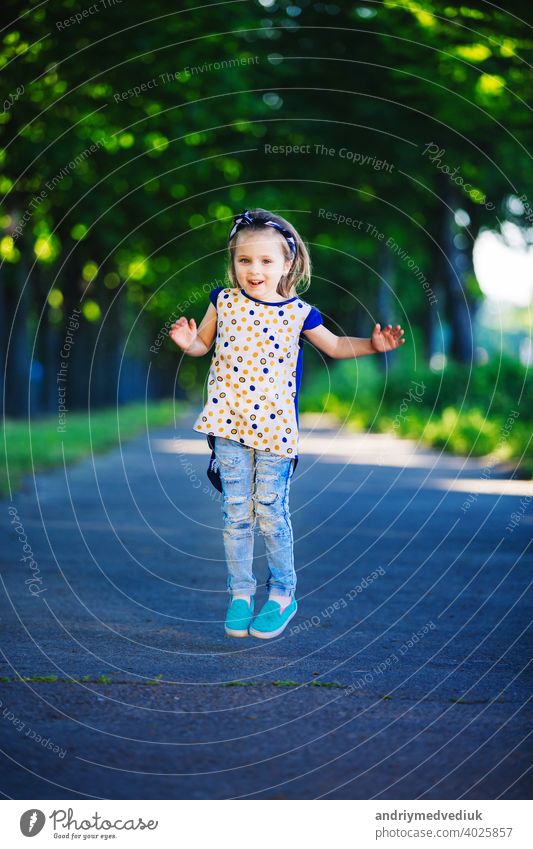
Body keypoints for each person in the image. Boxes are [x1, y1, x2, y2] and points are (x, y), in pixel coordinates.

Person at [169, 208, 405, 639]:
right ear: (233, 263)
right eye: (244, 261)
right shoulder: (223, 301)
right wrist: (190, 344)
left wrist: (372, 346)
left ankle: (282, 594)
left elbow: (334, 346)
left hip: (276, 431)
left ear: (287, 264)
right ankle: (241, 594)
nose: (254, 270)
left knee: (271, 512)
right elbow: (203, 344)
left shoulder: (299, 313)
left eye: (265, 261)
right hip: (228, 425)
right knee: (236, 512)